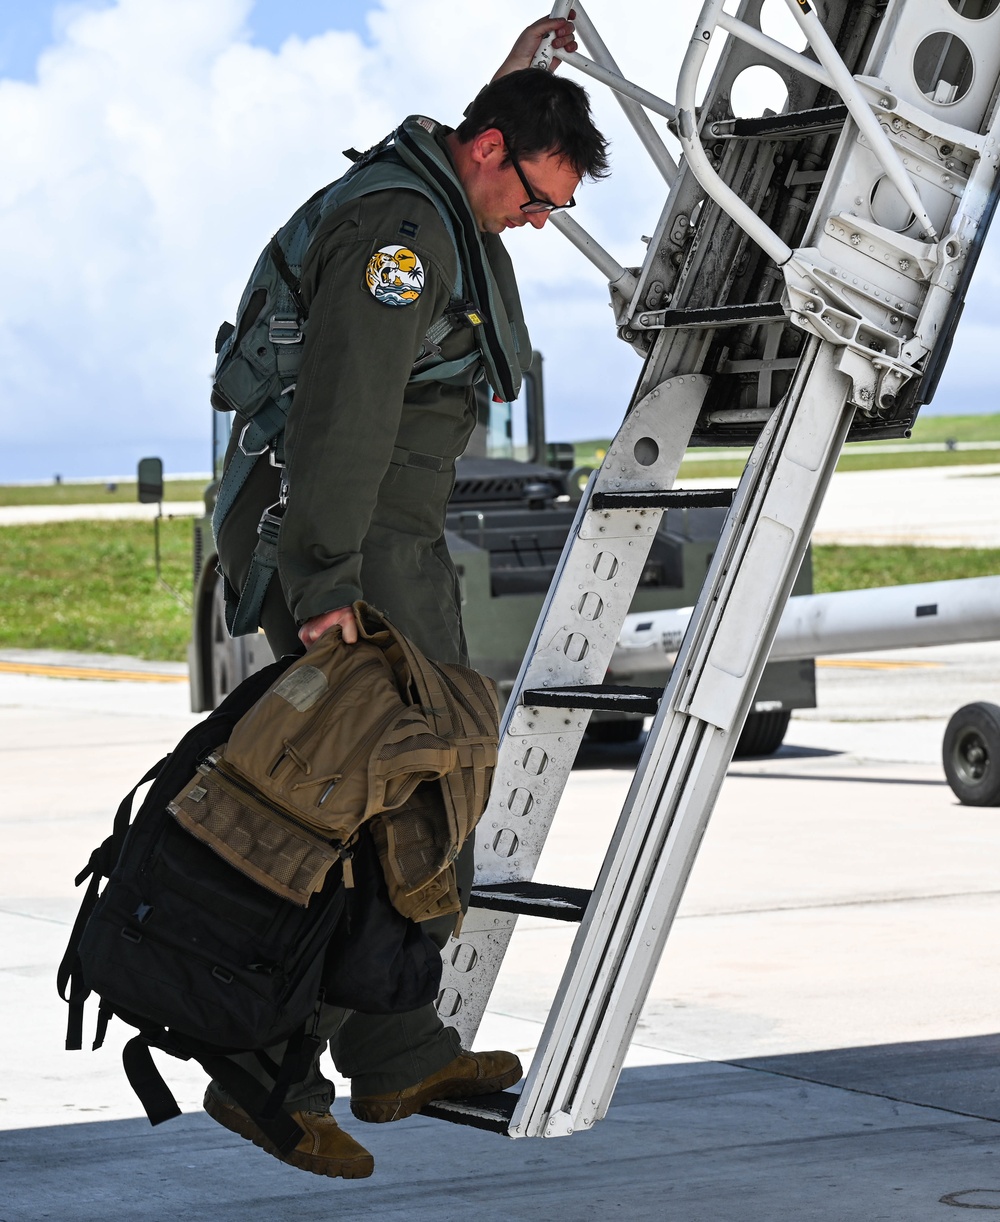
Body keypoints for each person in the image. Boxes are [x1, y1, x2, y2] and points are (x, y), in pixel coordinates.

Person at [209, 14, 610, 1180]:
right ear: (488, 155)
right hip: (351, 535)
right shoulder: (402, 232)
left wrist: (522, 74)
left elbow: (479, 144)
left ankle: (390, 1045)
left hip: (388, 530)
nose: (537, 226)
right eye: (538, 200)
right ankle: (269, 1076)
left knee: (407, 798)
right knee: (347, 803)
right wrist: (324, 582)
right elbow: (343, 409)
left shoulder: (444, 178)